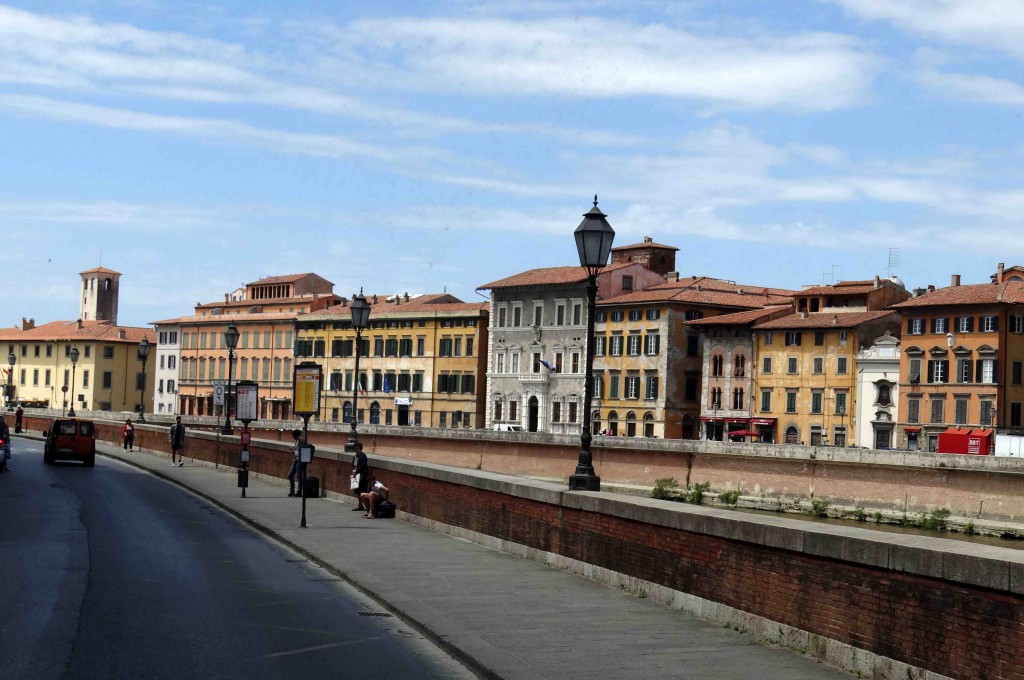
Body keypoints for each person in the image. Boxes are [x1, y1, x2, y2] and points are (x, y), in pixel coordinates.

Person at [351, 442, 370, 511]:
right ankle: (360, 505)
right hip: (356, 475)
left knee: (362, 491)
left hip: (362, 476)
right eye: (355, 449)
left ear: (360, 449)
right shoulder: (355, 456)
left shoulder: (363, 456)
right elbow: (353, 465)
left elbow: (363, 466)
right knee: (357, 491)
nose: (356, 450)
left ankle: (366, 506)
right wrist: (354, 472)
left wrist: (356, 471)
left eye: (358, 449)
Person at [287, 429, 301, 497]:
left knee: (299, 476)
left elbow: (300, 452)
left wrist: (293, 450)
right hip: (296, 460)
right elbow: (297, 449)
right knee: (290, 475)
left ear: (296, 435)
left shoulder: (301, 441)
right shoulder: (297, 441)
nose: (292, 437)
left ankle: (299, 492)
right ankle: (292, 491)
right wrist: (294, 449)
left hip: (300, 461)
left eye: (293, 435)